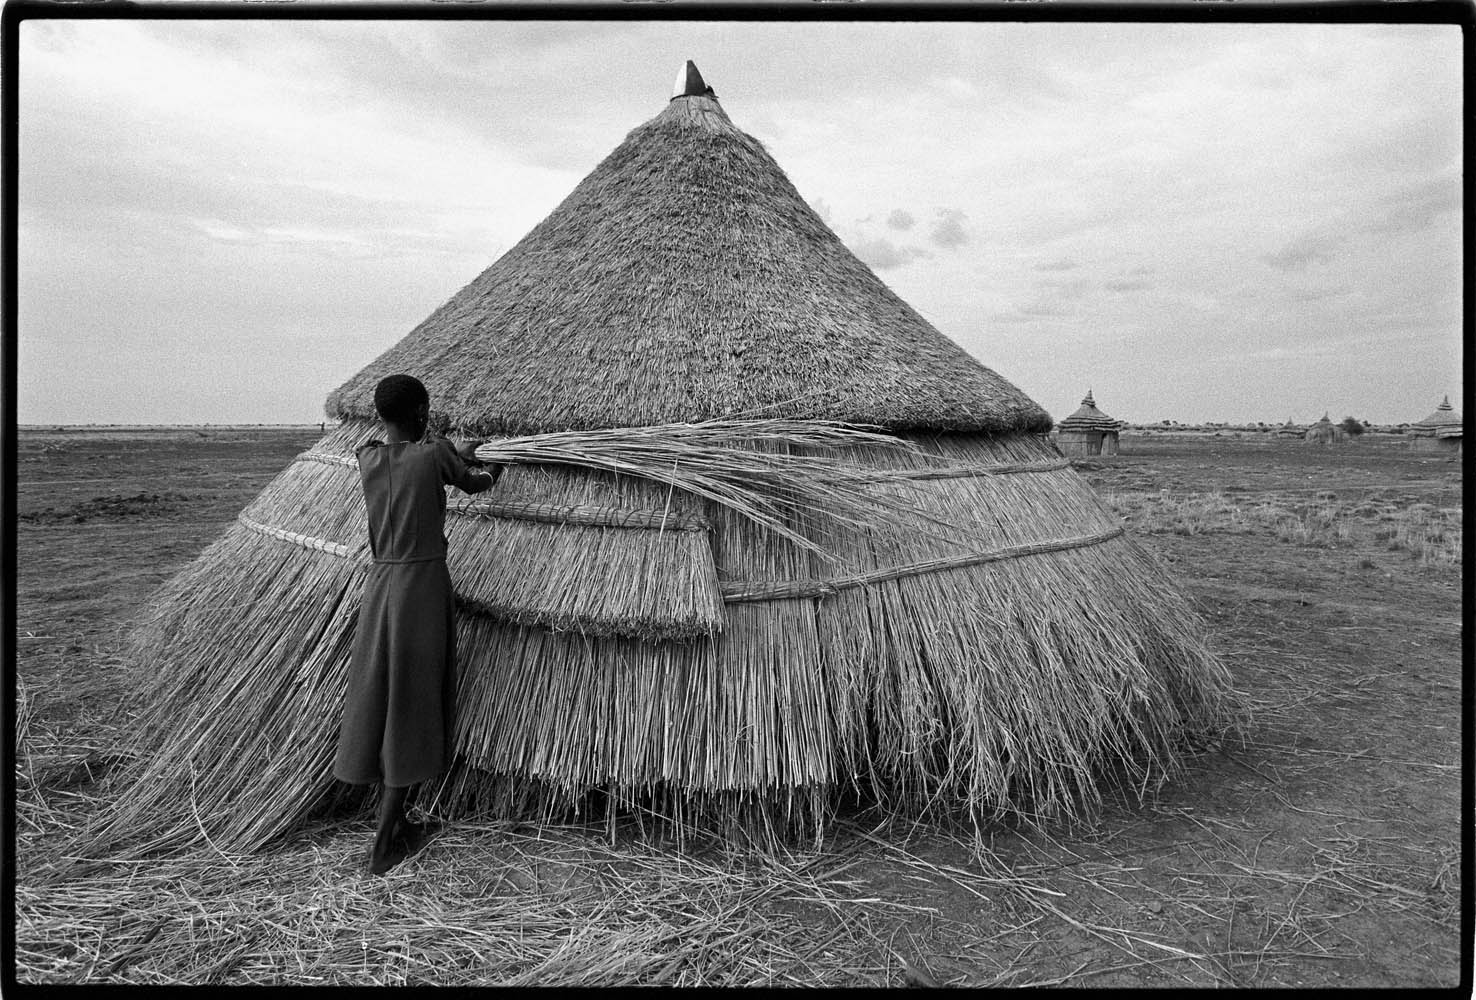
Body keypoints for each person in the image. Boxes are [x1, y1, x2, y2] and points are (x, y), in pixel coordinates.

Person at [332, 374, 500, 875]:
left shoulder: (367, 457)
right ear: (424, 412)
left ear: (381, 416)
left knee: (381, 693)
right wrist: (491, 461)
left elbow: (416, 452)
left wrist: (450, 447)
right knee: (411, 700)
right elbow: (478, 482)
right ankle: (387, 839)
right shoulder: (434, 456)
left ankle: (394, 822)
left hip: (380, 587)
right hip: (421, 589)